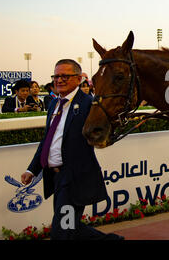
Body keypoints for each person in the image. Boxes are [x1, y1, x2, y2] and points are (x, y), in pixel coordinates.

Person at [20, 59, 123, 240]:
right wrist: (32, 169)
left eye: (65, 76)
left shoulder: (89, 105)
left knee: (61, 231)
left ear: (78, 79)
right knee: (70, 227)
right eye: (56, 76)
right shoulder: (53, 104)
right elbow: (47, 140)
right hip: (56, 178)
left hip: (75, 179)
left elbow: (103, 131)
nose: (59, 80)